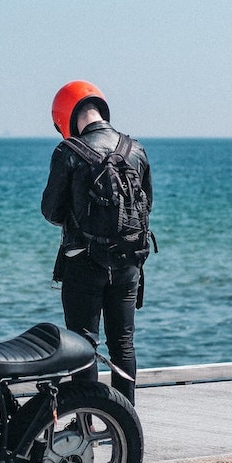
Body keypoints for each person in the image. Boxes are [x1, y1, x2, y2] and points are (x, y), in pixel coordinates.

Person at [41, 80, 152, 404]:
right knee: (124, 344)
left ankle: (88, 422)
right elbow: (147, 204)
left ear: (64, 115)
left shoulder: (68, 151)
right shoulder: (136, 150)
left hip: (83, 263)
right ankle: (126, 423)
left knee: (84, 344)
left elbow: (50, 211)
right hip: (129, 263)